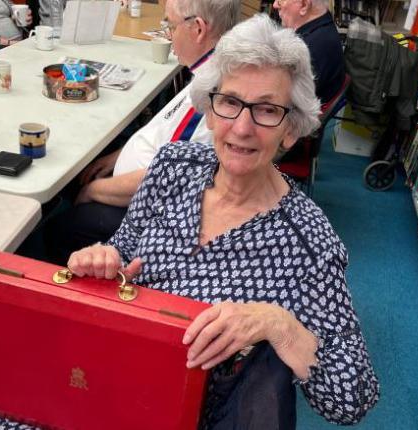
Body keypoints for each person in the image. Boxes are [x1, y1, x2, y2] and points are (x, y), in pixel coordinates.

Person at [68, 13, 379, 427]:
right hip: (112, 369)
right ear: (210, 111)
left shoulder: (307, 241)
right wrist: (104, 260)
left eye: (267, 109)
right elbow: (125, 247)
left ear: (290, 130)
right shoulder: (173, 166)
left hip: (186, 411)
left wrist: (279, 325)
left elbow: (354, 396)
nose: (242, 127)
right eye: (230, 102)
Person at [46, 0, 240, 263]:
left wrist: (94, 191)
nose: (168, 35)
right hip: (139, 189)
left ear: (197, 29)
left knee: (58, 228)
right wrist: (116, 156)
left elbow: (163, 179)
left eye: (170, 25)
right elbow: (164, 132)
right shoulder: (211, 70)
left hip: (146, 211)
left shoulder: (209, 95)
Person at [273, 0, 345, 104]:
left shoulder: (311, 50)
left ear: (304, 5)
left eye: (280, 1)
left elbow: (276, 99)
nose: (275, 5)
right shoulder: (322, 32)